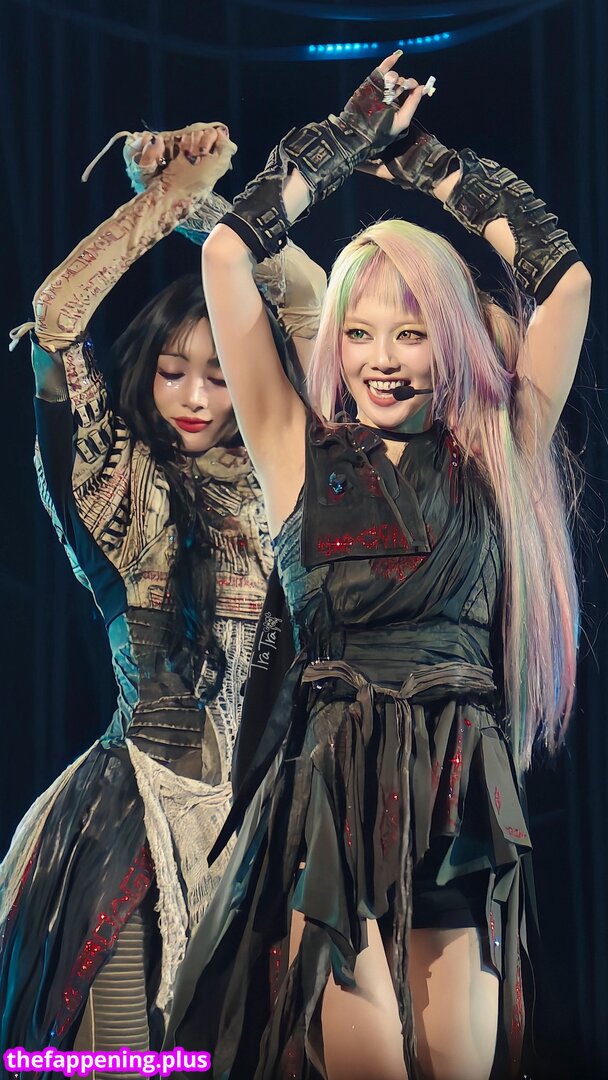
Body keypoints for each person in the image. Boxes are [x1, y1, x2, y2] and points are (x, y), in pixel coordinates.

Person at [164, 53, 590, 1080]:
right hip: (333, 807)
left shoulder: (496, 457)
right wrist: (343, 142)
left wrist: (435, 168)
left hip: (461, 800)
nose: (381, 358)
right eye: (357, 333)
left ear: (450, 339)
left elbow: (566, 284)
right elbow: (226, 257)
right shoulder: (294, 449)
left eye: (409, 332)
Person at [0, 123, 325, 1070]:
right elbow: (56, 320)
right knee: (122, 1054)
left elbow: (307, 303)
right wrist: (160, 202)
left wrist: (206, 211)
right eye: (174, 371)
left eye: (220, 376)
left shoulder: (283, 481)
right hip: (129, 818)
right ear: (145, 371)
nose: (195, 396)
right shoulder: (120, 485)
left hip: (260, 835)